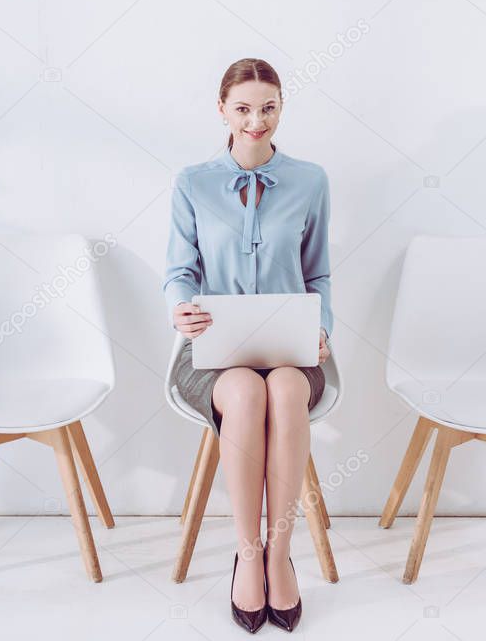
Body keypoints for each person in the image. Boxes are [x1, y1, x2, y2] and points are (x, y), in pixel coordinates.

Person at [163, 58, 333, 633]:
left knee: (283, 390)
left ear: (282, 106)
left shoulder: (310, 180)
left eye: (268, 107)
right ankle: (248, 552)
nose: (256, 120)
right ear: (222, 110)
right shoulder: (192, 182)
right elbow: (179, 269)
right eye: (243, 108)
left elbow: (319, 274)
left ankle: (281, 553)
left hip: (291, 351)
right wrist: (179, 305)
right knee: (244, 394)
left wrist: (321, 328)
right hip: (214, 352)